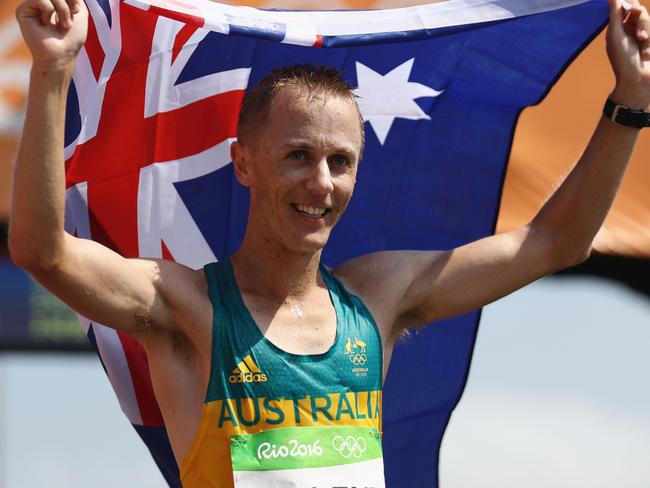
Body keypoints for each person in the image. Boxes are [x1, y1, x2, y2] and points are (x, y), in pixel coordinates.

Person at [9, 0, 650, 485]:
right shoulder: (186, 307)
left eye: (340, 162)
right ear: (243, 163)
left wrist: (630, 101)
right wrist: (55, 71)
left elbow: (554, 242)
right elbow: (45, 252)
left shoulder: (378, 297)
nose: (321, 182)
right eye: (297, 155)